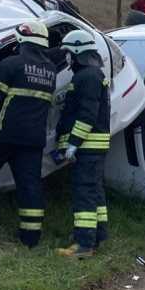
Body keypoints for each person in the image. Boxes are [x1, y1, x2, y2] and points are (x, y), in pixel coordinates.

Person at [0, 21, 58, 247]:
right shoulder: (50, 71)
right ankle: (30, 238)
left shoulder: (11, 64)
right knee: (29, 184)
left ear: (21, 41)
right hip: (34, 138)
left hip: (5, 132)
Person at [54, 30, 111, 258]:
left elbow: (87, 115)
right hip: (94, 147)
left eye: (68, 52)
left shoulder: (86, 77)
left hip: (87, 146)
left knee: (84, 193)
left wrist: (73, 144)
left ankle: (83, 245)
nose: (66, 57)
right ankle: (97, 236)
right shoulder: (93, 74)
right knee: (95, 192)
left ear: (77, 51)